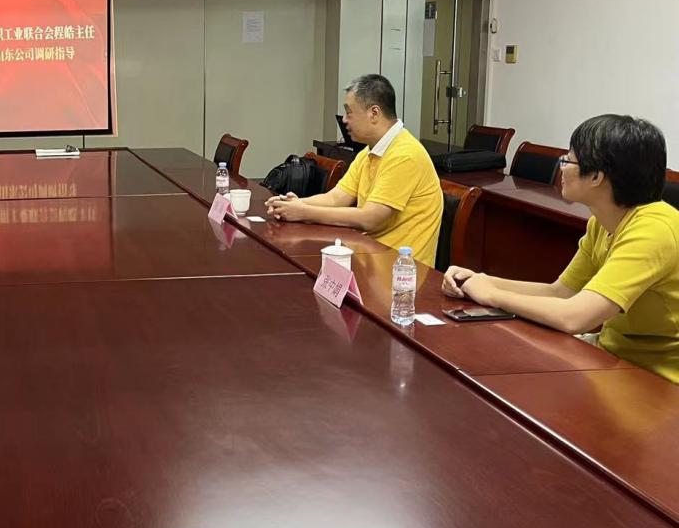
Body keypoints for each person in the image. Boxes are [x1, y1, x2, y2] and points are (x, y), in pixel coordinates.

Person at [444, 114, 679, 381]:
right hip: (612, 357)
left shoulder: (653, 230)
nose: (561, 166)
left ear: (596, 176)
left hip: (658, 380)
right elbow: (562, 292)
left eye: (569, 159)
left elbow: (574, 317)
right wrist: (481, 281)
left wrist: (493, 296)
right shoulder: (602, 222)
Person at [265, 74, 443, 266]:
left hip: (400, 270)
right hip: (369, 255)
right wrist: (293, 204)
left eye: (349, 113)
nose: (344, 120)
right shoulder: (369, 152)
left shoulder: (405, 154)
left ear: (374, 113)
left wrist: (303, 212)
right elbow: (336, 198)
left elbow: (370, 218)